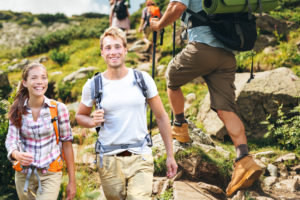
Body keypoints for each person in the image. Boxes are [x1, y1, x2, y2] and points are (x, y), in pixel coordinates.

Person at [150, 0, 263, 196]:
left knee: (171, 77)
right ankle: (244, 160)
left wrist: (159, 25)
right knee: (226, 109)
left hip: (202, 48)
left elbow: (176, 8)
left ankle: (180, 126)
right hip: (226, 55)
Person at [75, 27, 177, 200]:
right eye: (108, 48)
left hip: (140, 156)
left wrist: (170, 155)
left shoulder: (142, 79)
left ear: (125, 50)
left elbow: (161, 116)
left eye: (117, 47)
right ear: (102, 53)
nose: (113, 52)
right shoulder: (93, 84)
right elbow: (80, 116)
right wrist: (92, 121)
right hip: (108, 160)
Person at [5, 62, 76, 200]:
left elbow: (67, 144)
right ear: (24, 83)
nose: (40, 82)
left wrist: (72, 181)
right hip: (23, 175)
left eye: (44, 77)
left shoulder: (58, 109)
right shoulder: (17, 110)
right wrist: (17, 154)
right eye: (34, 78)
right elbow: (11, 140)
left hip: (50, 172)